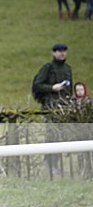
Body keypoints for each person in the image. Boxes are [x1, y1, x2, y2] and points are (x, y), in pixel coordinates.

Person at [33, 44, 73, 176]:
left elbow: (70, 89)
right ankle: (49, 164)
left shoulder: (67, 69)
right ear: (54, 53)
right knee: (52, 135)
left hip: (64, 107)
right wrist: (52, 88)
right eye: (59, 51)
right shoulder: (47, 68)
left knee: (62, 136)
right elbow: (38, 85)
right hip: (51, 107)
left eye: (64, 51)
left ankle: (56, 164)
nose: (62, 54)